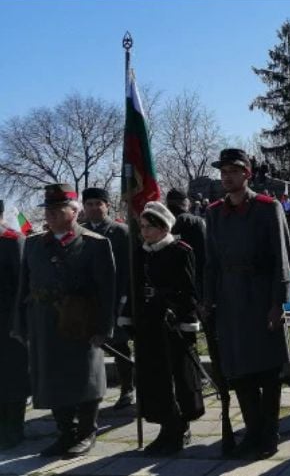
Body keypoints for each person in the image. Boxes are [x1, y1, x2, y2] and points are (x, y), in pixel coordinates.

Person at [12, 184, 115, 457]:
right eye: (48, 210)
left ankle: (86, 432)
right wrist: (20, 324)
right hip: (43, 322)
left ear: (74, 211)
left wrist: (104, 328)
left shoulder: (96, 243)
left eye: (58, 209)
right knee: (52, 378)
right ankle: (65, 432)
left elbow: (107, 291)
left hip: (81, 321)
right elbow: (24, 288)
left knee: (86, 378)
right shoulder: (34, 244)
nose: (51, 215)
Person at [204, 148, 290, 459]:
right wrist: (208, 301)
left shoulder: (269, 208)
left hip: (260, 296)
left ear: (247, 173)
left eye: (233, 170)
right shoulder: (214, 212)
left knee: (269, 372)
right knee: (239, 370)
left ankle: (269, 433)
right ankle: (252, 431)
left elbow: (282, 259)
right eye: (223, 171)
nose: (227, 176)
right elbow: (210, 262)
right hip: (230, 300)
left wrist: (278, 302)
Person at [119, 202, 204, 455]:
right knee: (153, 378)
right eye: (142, 227)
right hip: (148, 325)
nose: (144, 232)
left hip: (172, 324)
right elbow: (131, 288)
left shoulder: (180, 251)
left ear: (163, 227)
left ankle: (180, 427)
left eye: (150, 227)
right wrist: (128, 316)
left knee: (178, 377)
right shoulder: (139, 253)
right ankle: (166, 425)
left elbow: (188, 289)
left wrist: (178, 313)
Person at [81, 187, 134, 408]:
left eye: (98, 204)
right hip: (87, 301)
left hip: (115, 297)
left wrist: (123, 299)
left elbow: (127, 269)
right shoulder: (79, 231)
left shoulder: (120, 231)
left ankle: (127, 388)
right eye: (89, 204)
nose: (94, 208)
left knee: (119, 345)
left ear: (107, 205)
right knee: (88, 348)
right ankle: (90, 391)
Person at [0, 200, 27, 449]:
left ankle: (14, 427)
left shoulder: (12, 240)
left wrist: (19, 322)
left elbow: (22, 285)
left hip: (9, 321)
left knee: (13, 377)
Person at [166, 188, 207, 297]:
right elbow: (205, 254)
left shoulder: (159, 223)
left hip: (166, 284)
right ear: (185, 202)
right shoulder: (196, 222)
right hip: (193, 281)